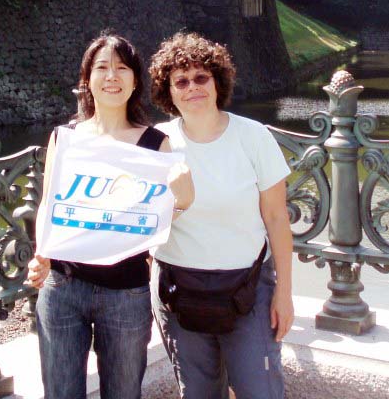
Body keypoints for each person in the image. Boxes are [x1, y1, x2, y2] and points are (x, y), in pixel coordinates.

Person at [27, 33, 195, 399]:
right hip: (63, 285)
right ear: (87, 80)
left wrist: (184, 199)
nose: (111, 76)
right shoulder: (65, 138)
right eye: (102, 67)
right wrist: (42, 253)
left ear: (135, 81)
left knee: (123, 392)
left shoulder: (155, 144)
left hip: (127, 290)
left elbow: (160, 220)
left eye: (121, 68)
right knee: (60, 393)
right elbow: (48, 204)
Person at [148, 32, 293, 399]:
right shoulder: (156, 143)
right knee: (198, 392)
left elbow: (277, 219)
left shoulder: (253, 137)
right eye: (181, 81)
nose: (193, 87)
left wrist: (285, 293)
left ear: (218, 82)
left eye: (201, 77)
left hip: (248, 287)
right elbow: (143, 222)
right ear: (168, 91)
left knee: (260, 390)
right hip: (178, 288)